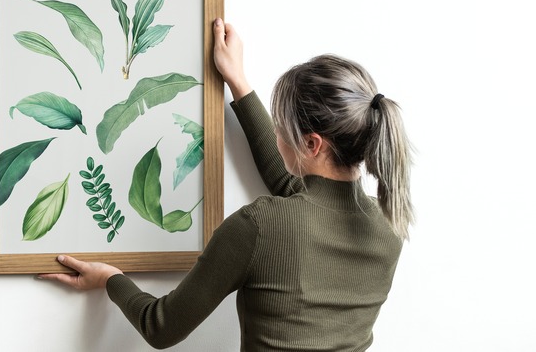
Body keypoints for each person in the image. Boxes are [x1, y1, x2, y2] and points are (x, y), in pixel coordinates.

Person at [38, 18, 413, 351]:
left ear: (312, 144)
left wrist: (111, 279)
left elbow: (161, 327)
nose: (278, 133)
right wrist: (237, 80)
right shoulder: (389, 224)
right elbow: (295, 188)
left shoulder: (261, 226)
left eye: (282, 126)